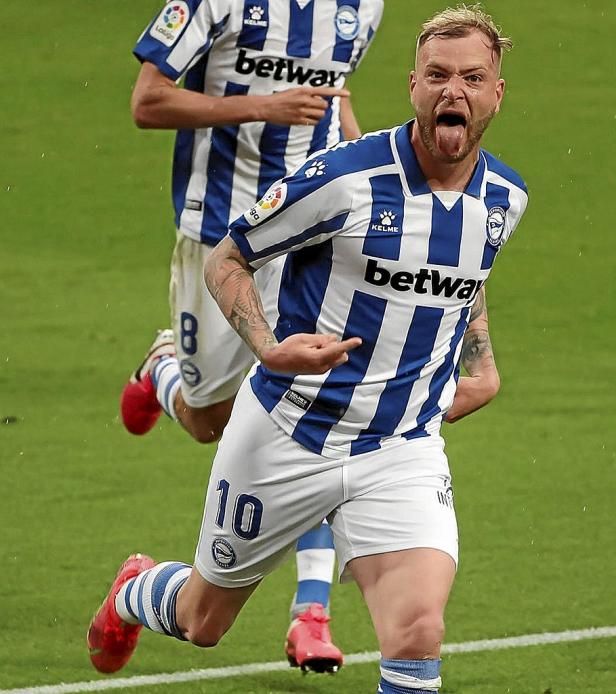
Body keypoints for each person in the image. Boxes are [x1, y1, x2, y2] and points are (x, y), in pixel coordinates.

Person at [89, 6, 527, 692]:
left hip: (398, 450)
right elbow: (227, 260)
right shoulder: (343, 178)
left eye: (473, 77)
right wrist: (267, 347)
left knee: (418, 631)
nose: (454, 91)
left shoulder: (505, 198)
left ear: (496, 93)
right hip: (288, 432)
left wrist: (481, 364)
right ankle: (134, 589)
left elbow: (468, 277)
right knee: (203, 620)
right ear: (412, 84)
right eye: (438, 75)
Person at [119, 0, 385, 673]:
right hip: (220, 239)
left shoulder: (363, 7)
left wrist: (377, 182)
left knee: (316, 409)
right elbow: (149, 103)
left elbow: (334, 103)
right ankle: (164, 370)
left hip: (312, 234)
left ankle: (311, 615)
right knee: (208, 422)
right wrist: (259, 108)